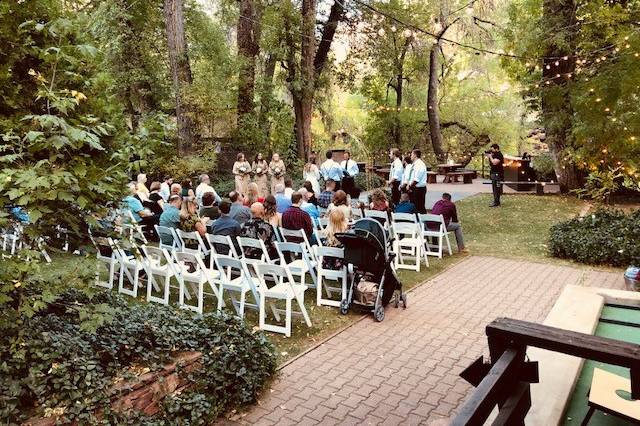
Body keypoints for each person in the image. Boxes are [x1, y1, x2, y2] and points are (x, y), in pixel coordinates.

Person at [409, 149, 427, 214]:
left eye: (411, 154)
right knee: (414, 207)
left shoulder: (420, 164)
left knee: (419, 207)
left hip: (419, 189)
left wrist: (410, 186)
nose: (410, 156)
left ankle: (422, 221)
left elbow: (417, 179)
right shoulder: (414, 164)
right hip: (414, 188)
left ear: (415, 155)